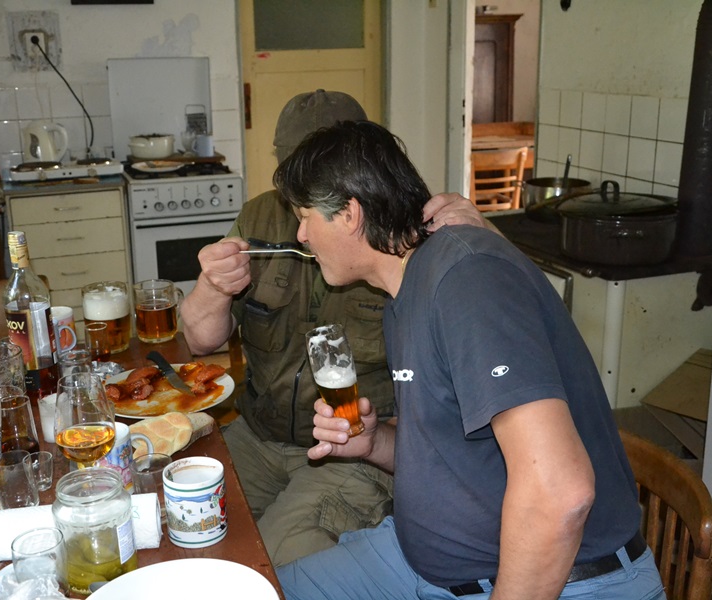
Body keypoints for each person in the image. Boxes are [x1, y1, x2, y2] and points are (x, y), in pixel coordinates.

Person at [271, 120, 666, 600]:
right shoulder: (403, 295)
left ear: (349, 214)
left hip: (567, 584)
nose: (301, 235)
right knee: (259, 588)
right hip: (421, 564)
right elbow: (458, 451)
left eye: (305, 216)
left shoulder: (466, 279)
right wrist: (374, 442)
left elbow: (560, 493)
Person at [180, 90, 492, 566]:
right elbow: (200, 341)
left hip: (359, 448)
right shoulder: (261, 216)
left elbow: (502, 318)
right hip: (259, 436)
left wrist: (482, 233)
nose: (301, 225)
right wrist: (212, 286)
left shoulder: (401, 231)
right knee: (186, 525)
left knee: (278, 558)